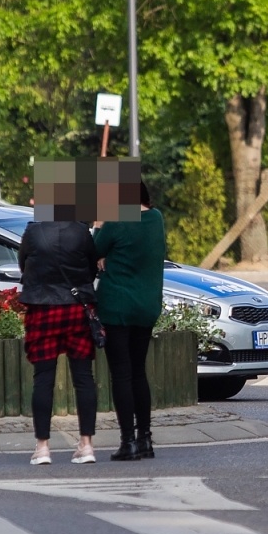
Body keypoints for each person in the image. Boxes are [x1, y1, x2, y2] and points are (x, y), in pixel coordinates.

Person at [18, 214, 100, 465]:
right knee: (84, 377)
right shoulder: (81, 231)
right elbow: (91, 268)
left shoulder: (33, 232)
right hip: (77, 307)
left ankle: (42, 448)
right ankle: (86, 445)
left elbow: (23, 265)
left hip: (42, 308)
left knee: (43, 378)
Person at [94, 180, 166, 461]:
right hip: (146, 307)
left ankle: (127, 442)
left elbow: (92, 251)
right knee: (139, 372)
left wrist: (99, 225)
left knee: (121, 374)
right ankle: (145, 437)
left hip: (117, 308)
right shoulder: (156, 219)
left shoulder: (115, 222)